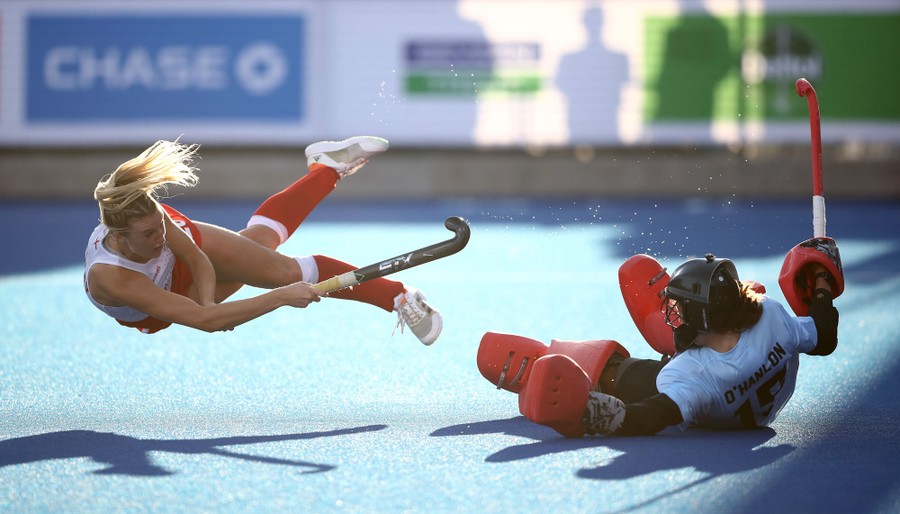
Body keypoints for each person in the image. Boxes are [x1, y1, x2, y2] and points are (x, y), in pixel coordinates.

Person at [84, 136, 442, 344]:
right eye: (149, 234)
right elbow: (206, 322)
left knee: (280, 271)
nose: (160, 237)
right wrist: (277, 298)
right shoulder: (113, 278)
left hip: (190, 282)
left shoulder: (151, 219)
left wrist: (210, 304)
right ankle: (325, 169)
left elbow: (194, 258)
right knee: (258, 247)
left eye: (160, 226)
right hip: (155, 305)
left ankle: (397, 295)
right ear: (119, 238)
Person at [477, 246, 842, 437]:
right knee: (739, 303)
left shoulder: (692, 375)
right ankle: (679, 332)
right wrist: (821, 280)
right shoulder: (771, 315)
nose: (674, 312)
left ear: (701, 317)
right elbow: (823, 337)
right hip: (756, 396)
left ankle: (551, 360)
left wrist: (587, 412)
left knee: (618, 375)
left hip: (715, 401)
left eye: (679, 308)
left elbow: (650, 417)